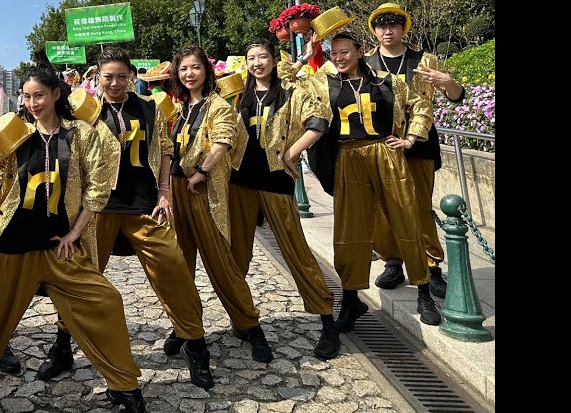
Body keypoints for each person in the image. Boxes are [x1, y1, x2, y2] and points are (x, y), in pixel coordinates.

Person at [0, 67, 151, 413]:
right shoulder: (15, 135)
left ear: (57, 93)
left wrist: (75, 231)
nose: (32, 103)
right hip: (11, 244)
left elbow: (98, 189)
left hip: (60, 246)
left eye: (39, 94)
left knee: (106, 303)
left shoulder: (82, 135)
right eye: (26, 96)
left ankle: (125, 388)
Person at [37, 47, 213, 391]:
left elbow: (164, 148)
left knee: (173, 271)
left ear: (131, 76)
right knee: (80, 280)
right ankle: (62, 347)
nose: (115, 83)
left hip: (143, 206)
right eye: (107, 77)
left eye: (121, 76)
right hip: (97, 209)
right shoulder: (84, 110)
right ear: (97, 78)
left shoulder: (149, 107)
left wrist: (164, 191)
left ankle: (195, 344)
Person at [285, 30, 440, 331]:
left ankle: (423, 290)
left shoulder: (387, 81)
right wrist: (306, 55)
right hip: (348, 158)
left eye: (345, 51)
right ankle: (351, 296)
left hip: (387, 154)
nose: (339, 58)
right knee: (350, 228)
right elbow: (288, 81)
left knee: (406, 218)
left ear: (359, 51)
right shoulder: (321, 84)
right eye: (334, 53)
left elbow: (420, 105)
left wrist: (410, 138)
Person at [231, 40, 340, 359]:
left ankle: (327, 321)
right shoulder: (241, 96)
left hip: (275, 178)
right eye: (251, 58)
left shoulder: (291, 93)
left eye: (263, 56)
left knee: (295, 249)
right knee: (237, 253)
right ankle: (244, 318)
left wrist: (293, 150)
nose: (257, 63)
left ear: (273, 60)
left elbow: (318, 122)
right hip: (240, 181)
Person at [165, 45, 273, 363]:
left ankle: (250, 325)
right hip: (176, 189)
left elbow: (224, 140)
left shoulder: (218, 106)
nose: (189, 74)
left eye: (195, 67)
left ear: (206, 71)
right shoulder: (179, 109)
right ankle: (185, 326)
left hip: (203, 190)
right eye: (183, 68)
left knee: (221, 265)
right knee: (180, 266)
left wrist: (203, 171)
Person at [364, 4, 465, 299]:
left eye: (393, 24)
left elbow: (455, 97)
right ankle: (393, 260)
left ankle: (431, 266)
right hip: (381, 144)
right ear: (375, 30)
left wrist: (448, 82)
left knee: (419, 206)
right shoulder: (366, 61)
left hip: (419, 143)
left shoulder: (423, 59)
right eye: (381, 25)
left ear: (403, 27)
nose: (387, 30)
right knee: (382, 207)